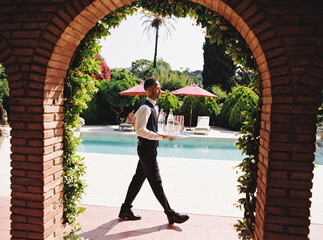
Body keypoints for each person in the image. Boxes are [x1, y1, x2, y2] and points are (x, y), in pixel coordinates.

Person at [119, 77, 189, 225]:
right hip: (146, 150)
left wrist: (164, 133)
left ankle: (125, 209)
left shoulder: (155, 107)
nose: (159, 91)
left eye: (159, 88)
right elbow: (139, 130)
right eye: (157, 88)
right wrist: (159, 136)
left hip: (150, 148)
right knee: (156, 182)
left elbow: (152, 127)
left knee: (138, 179)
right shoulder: (144, 108)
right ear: (148, 90)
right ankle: (170, 214)